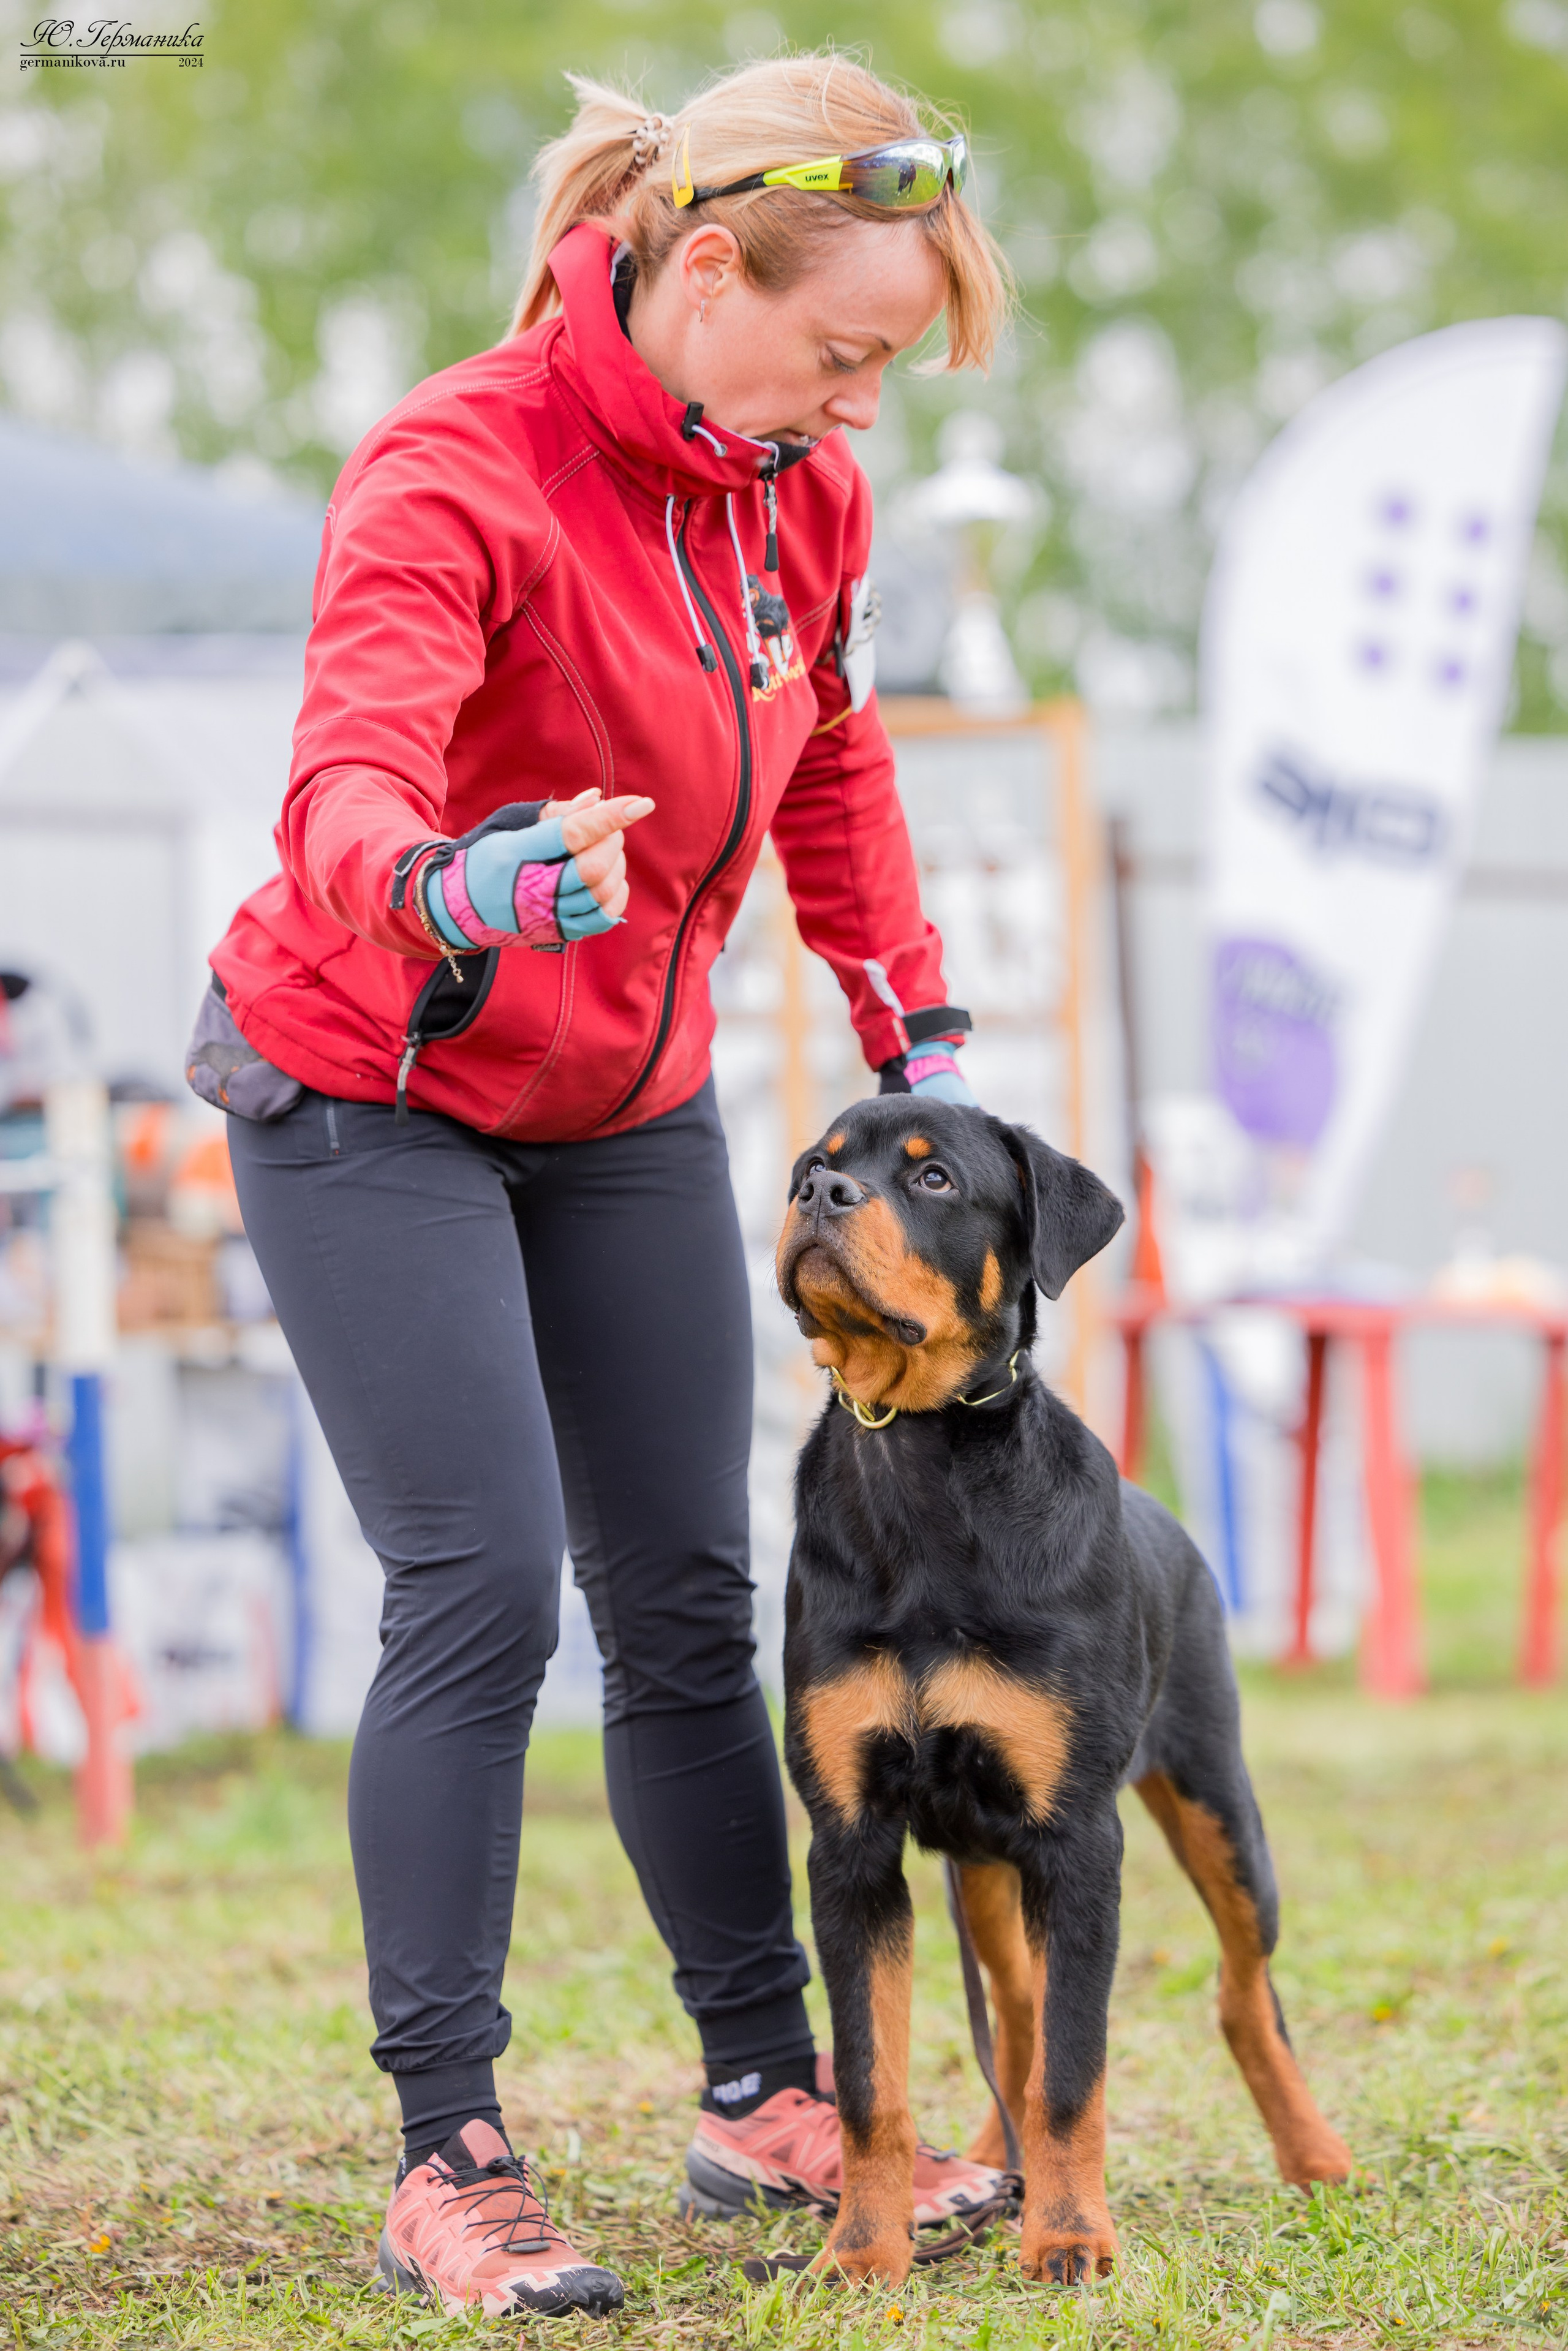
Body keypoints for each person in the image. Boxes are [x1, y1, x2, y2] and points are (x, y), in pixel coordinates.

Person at [191, 51, 1009, 2320]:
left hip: (622, 1100)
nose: (858, 412)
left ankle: (765, 2094)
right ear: (705, 263)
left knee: (686, 1584)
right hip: (376, 1069)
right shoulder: (462, 464)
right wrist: (452, 883)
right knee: (483, 1584)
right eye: (843, 355)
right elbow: (344, 778)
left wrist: (905, 1010)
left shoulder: (797, 499)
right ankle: (445, 2150)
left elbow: (829, 749)